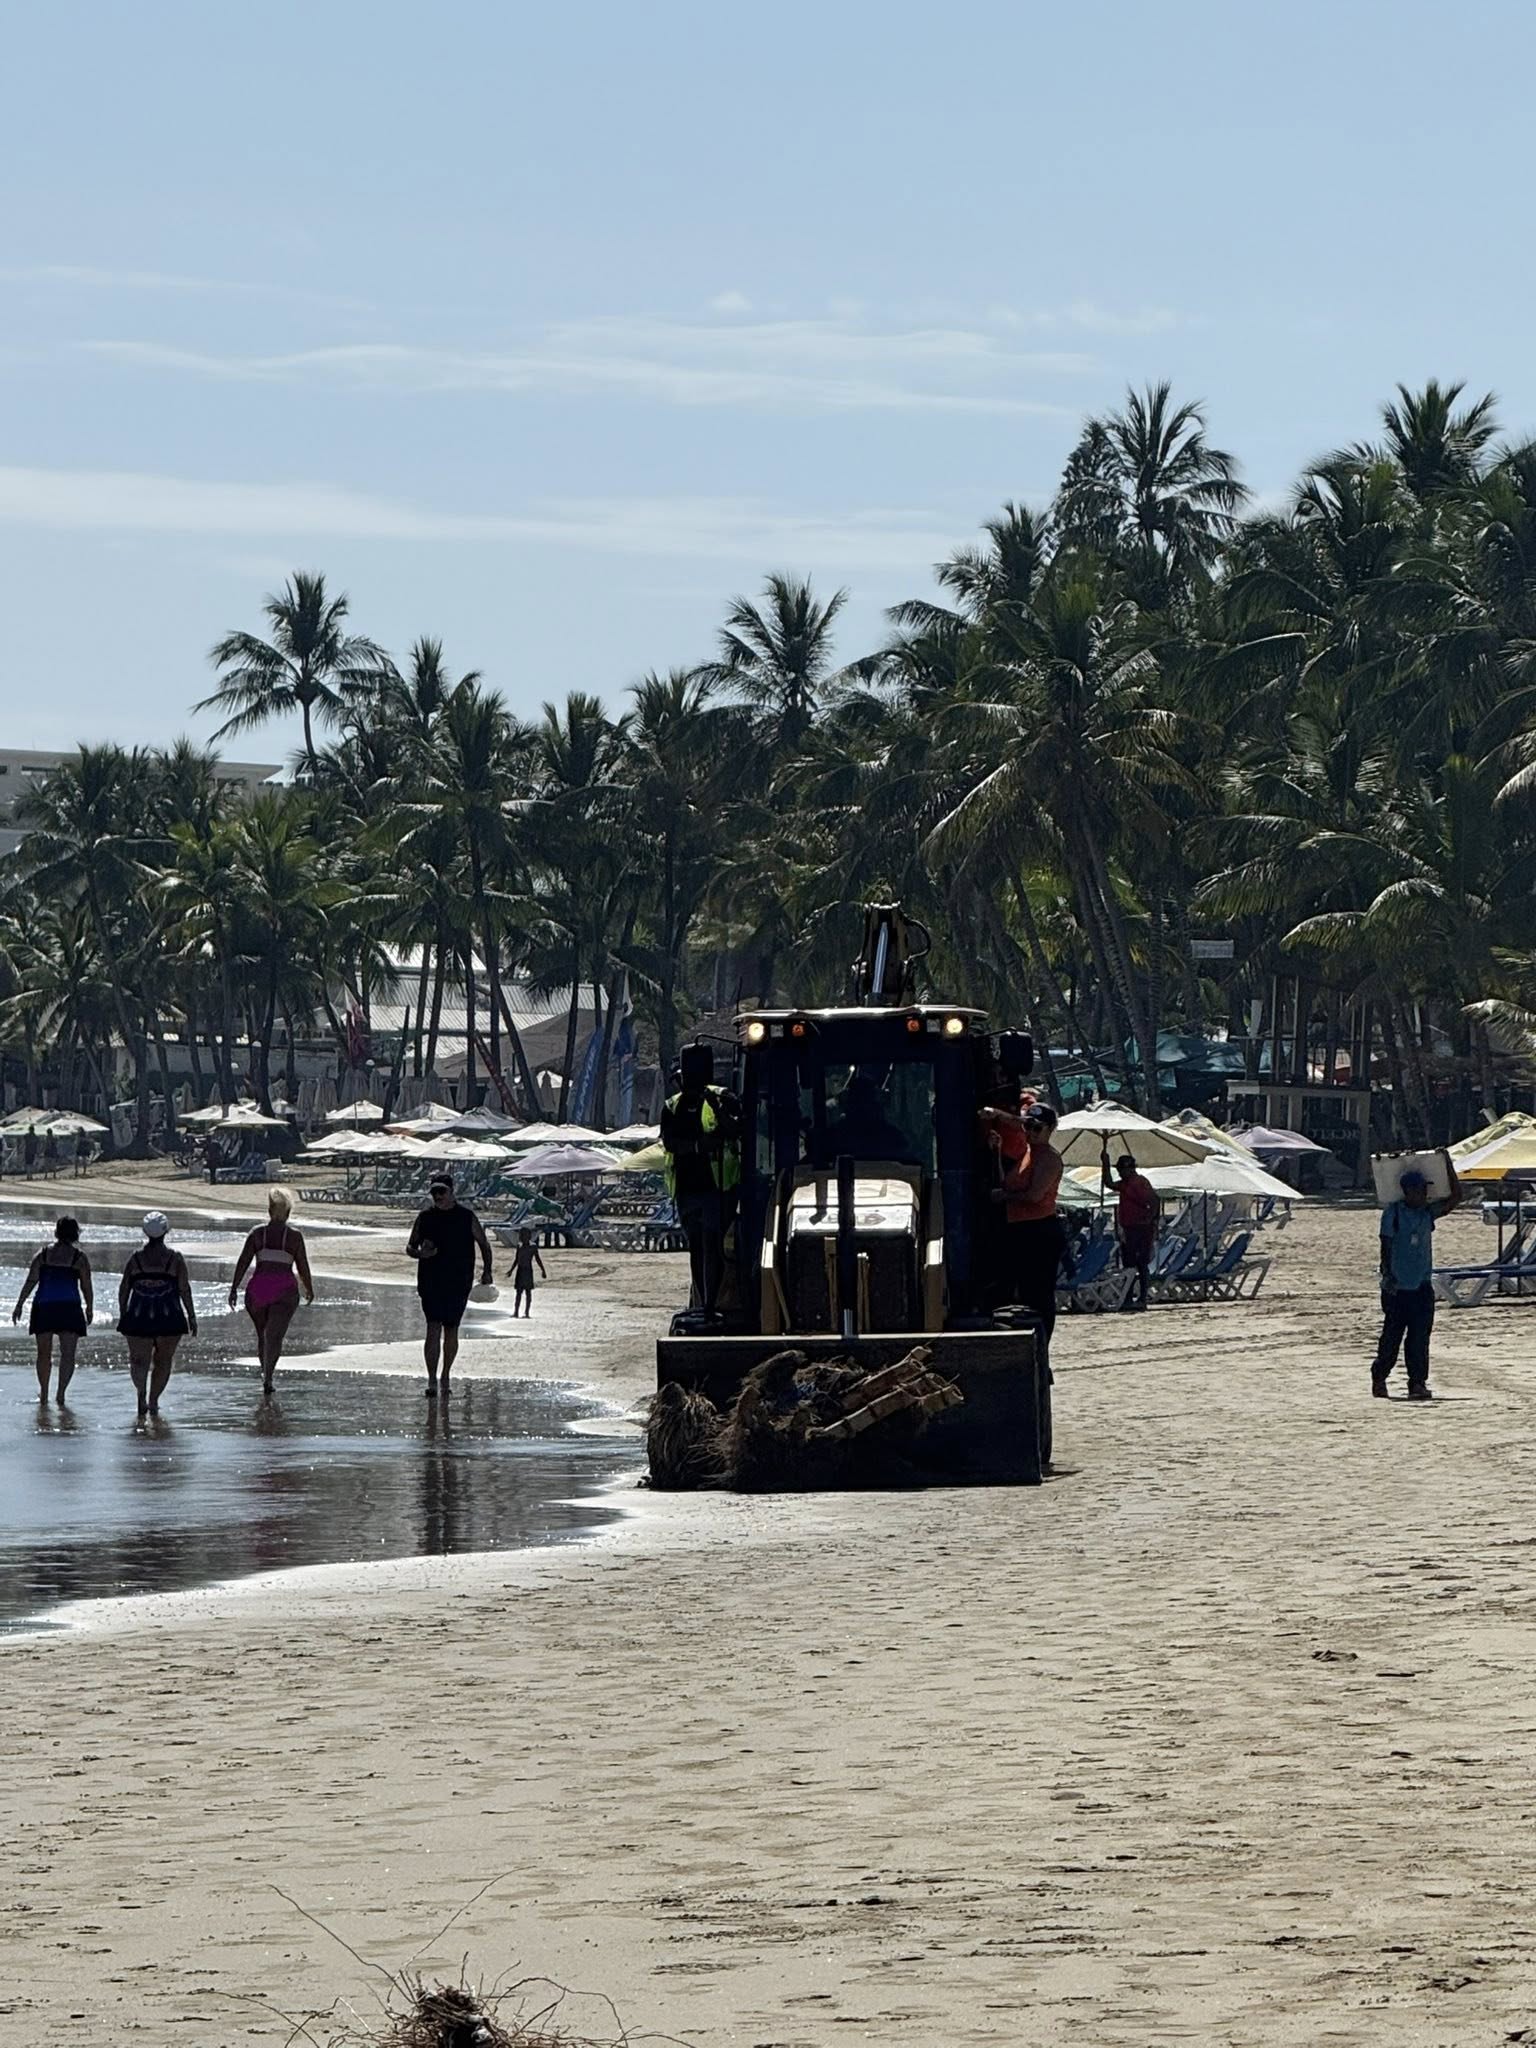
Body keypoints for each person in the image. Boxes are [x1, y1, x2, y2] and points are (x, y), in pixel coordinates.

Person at [660, 1043, 741, 1314]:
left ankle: (712, 1303)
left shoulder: (724, 1097)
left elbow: (736, 1129)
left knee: (713, 1244)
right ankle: (701, 1301)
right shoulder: (672, 1106)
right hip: (687, 1189)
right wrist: (697, 1146)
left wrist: (717, 1109)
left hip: (718, 1187)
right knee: (697, 1246)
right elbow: (670, 1142)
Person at [1374, 1161, 1461, 1400]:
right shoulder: (1393, 1213)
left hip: (1422, 1286)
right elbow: (1386, 1244)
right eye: (1419, 1190)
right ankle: (1380, 1378)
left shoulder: (1426, 1213)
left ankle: (1417, 1383)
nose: (1424, 1194)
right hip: (1397, 1287)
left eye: (1425, 1190)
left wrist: (1447, 1166)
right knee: (1392, 1337)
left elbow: (1455, 1198)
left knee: (1419, 1338)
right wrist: (1388, 1275)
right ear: (1407, 1191)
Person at [406, 1176, 493, 1398]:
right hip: (430, 1280)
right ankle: (432, 1378)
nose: (437, 1196)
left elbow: (484, 1244)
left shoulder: (466, 1217)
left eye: (441, 1191)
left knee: (451, 1329)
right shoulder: (425, 1217)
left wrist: (487, 1271)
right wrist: (420, 1253)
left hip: (459, 1280)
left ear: (452, 1192)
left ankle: (446, 1374)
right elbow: (410, 1246)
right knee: (433, 1327)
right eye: (434, 1192)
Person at [991, 1101, 1066, 1357]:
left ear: (1050, 1129)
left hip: (1040, 1230)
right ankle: (1028, 1348)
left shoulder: (1049, 1157)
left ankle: (1041, 1349)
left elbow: (1034, 1195)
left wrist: (1004, 1198)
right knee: (1019, 1293)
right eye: (1028, 1127)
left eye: (1037, 1128)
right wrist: (997, 1151)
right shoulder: (1027, 1153)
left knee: (1039, 1294)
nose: (1031, 1132)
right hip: (1020, 1229)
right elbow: (1007, 1184)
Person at [229, 1187, 314, 1395]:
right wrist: (309, 1288)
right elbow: (302, 1265)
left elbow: (243, 1262)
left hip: (259, 1288)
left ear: (269, 1210)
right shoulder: (294, 1237)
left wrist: (234, 1288)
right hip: (284, 1288)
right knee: (274, 1337)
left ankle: (265, 1374)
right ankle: (268, 1377)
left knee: (262, 1335)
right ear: (288, 1213)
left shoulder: (258, 1234)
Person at [119, 1212, 196, 1419]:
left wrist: (123, 1313)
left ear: (145, 1232)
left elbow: (124, 1288)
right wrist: (191, 1316)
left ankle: (141, 1394)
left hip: (138, 1314)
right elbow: (184, 1289)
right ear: (166, 1232)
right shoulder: (175, 1259)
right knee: (163, 1361)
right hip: (169, 1315)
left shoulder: (136, 1259)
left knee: (138, 1361)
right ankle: (153, 1401)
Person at [11, 1215, 94, 1403]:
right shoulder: (79, 1258)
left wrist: (19, 1304)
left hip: (44, 1307)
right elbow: (86, 1286)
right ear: (75, 1235)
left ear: (56, 1232)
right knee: (68, 1355)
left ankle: (44, 1394)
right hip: (69, 1308)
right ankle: (61, 1394)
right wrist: (89, 1307)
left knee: (43, 1354)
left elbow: (31, 1281)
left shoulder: (43, 1254)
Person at [820, 1073, 917, 1163]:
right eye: (859, 1100)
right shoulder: (894, 1138)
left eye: (865, 1099)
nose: (862, 1106)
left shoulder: (832, 1138)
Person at [1113, 1153, 1161, 1310]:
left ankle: (1142, 1297)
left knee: (1140, 1264)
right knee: (1129, 1265)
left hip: (1141, 1229)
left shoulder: (1140, 1182)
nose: (1120, 1173)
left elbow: (1154, 1200)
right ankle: (1128, 1297)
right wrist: (1105, 1163)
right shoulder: (1124, 1184)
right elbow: (1108, 1183)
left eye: (1121, 1169)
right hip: (1129, 1229)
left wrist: (1150, 1220)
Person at [509, 1227, 548, 1317]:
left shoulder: (533, 1247)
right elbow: (517, 1260)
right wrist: (511, 1270)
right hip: (520, 1271)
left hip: (528, 1271)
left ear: (529, 1236)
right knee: (518, 1293)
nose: (522, 1237)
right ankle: (516, 1312)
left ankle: (527, 1312)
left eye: (524, 1235)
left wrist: (543, 1270)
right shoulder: (519, 1246)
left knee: (528, 1292)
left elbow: (538, 1259)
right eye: (521, 1236)